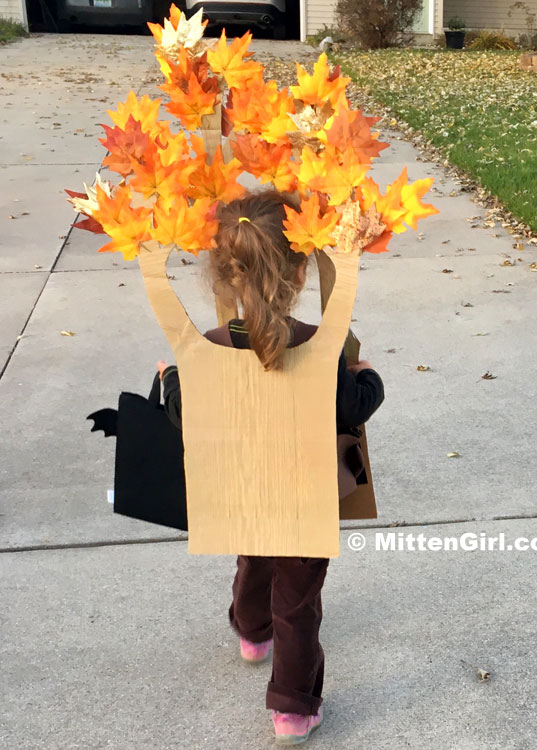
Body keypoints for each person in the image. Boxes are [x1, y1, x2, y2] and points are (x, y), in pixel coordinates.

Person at [156, 190, 384, 745]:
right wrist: (367, 374)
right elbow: (353, 408)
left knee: (253, 554)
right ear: (300, 270)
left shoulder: (206, 350)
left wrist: (167, 378)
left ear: (221, 272)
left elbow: (182, 414)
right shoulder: (320, 349)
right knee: (298, 601)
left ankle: (253, 633)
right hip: (304, 497)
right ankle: (292, 708)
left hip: (240, 488)